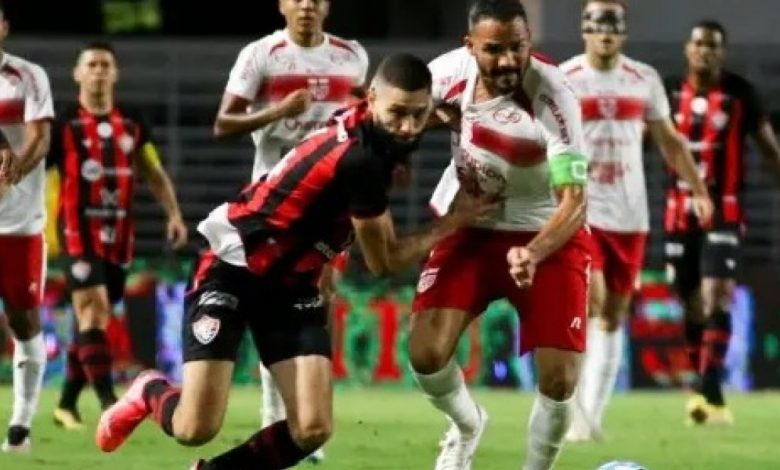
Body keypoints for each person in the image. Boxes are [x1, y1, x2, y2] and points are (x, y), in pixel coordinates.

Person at [95, 53, 495, 470]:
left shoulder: (372, 124)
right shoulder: (360, 161)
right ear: (373, 99)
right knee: (194, 428)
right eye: (398, 113)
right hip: (234, 266)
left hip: (292, 284)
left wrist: (458, 113)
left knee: (312, 428)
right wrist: (457, 220)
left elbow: (401, 124)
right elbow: (385, 261)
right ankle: (149, 391)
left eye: (418, 114)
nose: (408, 126)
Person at [409, 1, 591, 468]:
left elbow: (574, 201)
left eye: (518, 47)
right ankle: (466, 425)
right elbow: (395, 117)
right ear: (470, 47)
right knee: (426, 353)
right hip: (472, 225)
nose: (509, 60)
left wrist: (534, 252)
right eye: (494, 50)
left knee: (559, 381)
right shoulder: (447, 74)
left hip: (546, 233)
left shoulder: (554, 96)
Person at [213, 2, 368, 458]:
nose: (307, 5)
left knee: (323, 299)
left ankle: (305, 416)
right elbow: (223, 123)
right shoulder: (261, 55)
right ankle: (275, 417)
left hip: (331, 205)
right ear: (282, 5)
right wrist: (276, 111)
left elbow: (367, 117)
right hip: (275, 204)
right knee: (274, 304)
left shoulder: (351, 56)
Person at [559, 0, 712, 442]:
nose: (605, 33)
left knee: (612, 317)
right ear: (584, 30)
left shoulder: (644, 79)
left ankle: (591, 418)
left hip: (631, 214)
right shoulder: (565, 78)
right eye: (597, 25)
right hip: (581, 210)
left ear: (623, 33)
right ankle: (573, 415)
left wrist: (698, 189)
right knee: (591, 302)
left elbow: (670, 141)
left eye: (613, 26)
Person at [47, 41, 188, 430]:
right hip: (76, 231)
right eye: (91, 64)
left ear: (115, 73)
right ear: (77, 73)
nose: (98, 71)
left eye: (105, 65)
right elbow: (36, 173)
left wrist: (174, 215)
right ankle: (111, 403)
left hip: (119, 235)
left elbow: (152, 171)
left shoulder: (133, 122)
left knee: (92, 320)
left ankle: (66, 404)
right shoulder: (63, 124)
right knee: (92, 310)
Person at [664, 20, 780, 425]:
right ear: (687, 49)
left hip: (724, 212)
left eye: (713, 45)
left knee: (717, 296)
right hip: (677, 213)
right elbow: (646, 136)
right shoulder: (668, 92)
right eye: (699, 44)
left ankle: (709, 389)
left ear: (722, 52)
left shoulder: (740, 94)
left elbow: (769, 149)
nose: (705, 51)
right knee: (691, 303)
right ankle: (703, 383)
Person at [0, 1, 54, 453]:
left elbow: (41, 136)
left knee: (24, 319)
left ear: (4, 27)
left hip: (18, 224)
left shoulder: (27, 76)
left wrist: (18, 164)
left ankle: (20, 422)